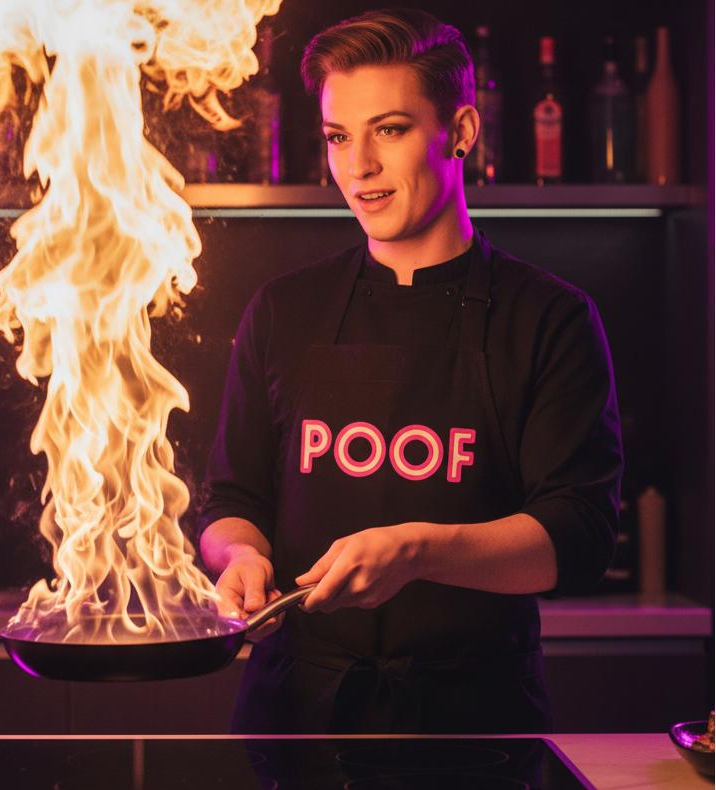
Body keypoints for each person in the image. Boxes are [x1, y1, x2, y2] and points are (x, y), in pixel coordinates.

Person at [197, 8, 622, 735]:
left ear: (461, 131)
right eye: (338, 136)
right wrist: (239, 553)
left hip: (475, 723)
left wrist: (417, 551)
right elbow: (232, 498)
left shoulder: (549, 318)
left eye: (389, 130)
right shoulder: (283, 310)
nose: (357, 166)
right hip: (294, 717)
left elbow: (578, 538)